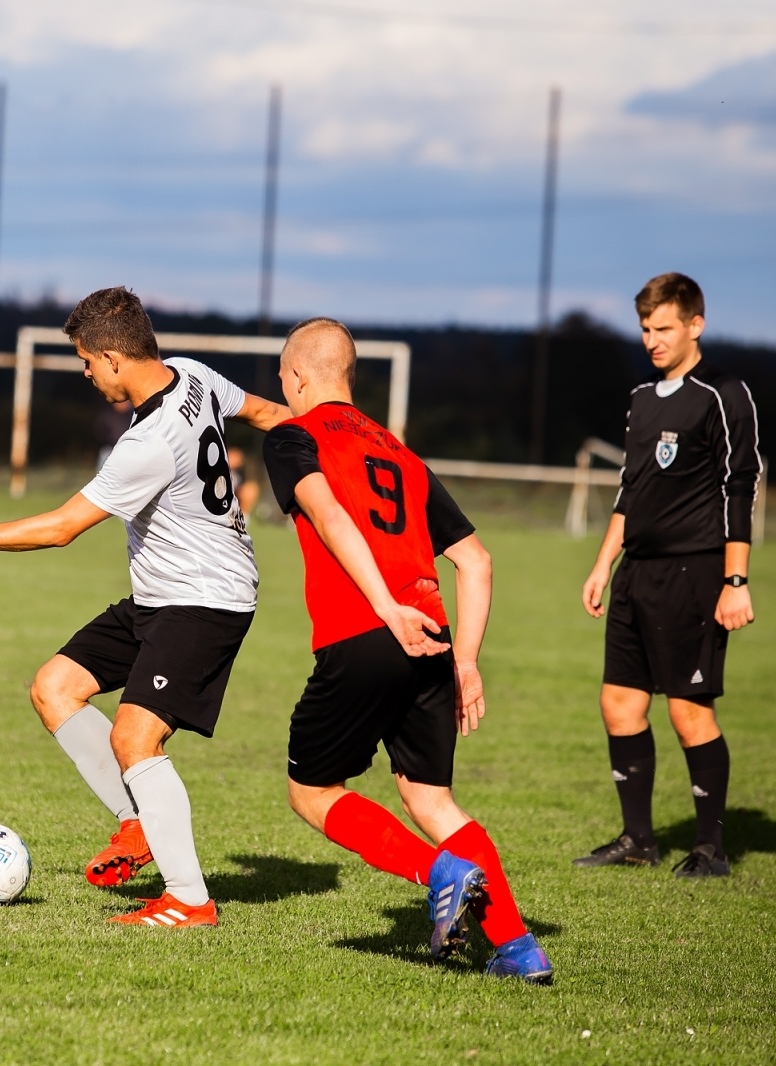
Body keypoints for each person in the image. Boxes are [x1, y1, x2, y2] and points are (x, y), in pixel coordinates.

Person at [0, 286, 287, 927]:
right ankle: (138, 824)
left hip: (206, 599)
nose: (86, 374)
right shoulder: (194, 375)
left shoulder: (147, 444)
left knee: (134, 734)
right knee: (55, 687)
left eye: (87, 362)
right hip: (160, 594)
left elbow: (60, 528)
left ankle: (190, 900)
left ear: (114, 358)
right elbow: (267, 412)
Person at [261, 317, 552, 983]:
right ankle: (517, 949)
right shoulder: (400, 453)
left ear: (299, 377)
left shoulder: (293, 438)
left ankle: (439, 873)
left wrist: (384, 607)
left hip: (368, 631)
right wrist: (468, 661)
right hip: (434, 642)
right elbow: (475, 562)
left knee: (311, 790)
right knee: (431, 799)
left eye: (284, 379)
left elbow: (331, 516)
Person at [577, 272, 760, 879]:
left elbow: (739, 490)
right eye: (645, 329)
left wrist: (735, 581)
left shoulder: (722, 395)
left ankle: (710, 848)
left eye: (663, 329)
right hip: (638, 574)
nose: (652, 340)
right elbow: (631, 492)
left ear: (694, 325)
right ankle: (638, 839)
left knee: (688, 713)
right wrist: (604, 564)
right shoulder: (640, 399)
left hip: (696, 572)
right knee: (619, 705)